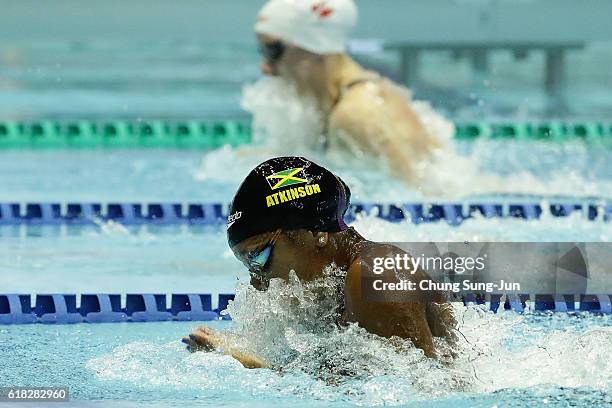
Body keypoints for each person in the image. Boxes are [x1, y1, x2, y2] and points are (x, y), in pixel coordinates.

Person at [182, 157, 456, 369]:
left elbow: (413, 389)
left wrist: (248, 361)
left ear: (316, 233)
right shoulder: (333, 284)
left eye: (260, 257)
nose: (257, 282)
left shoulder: (374, 274)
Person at [253, 0, 444, 186]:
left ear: (314, 48)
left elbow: (417, 197)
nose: (266, 67)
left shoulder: (357, 114)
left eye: (272, 50)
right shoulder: (337, 104)